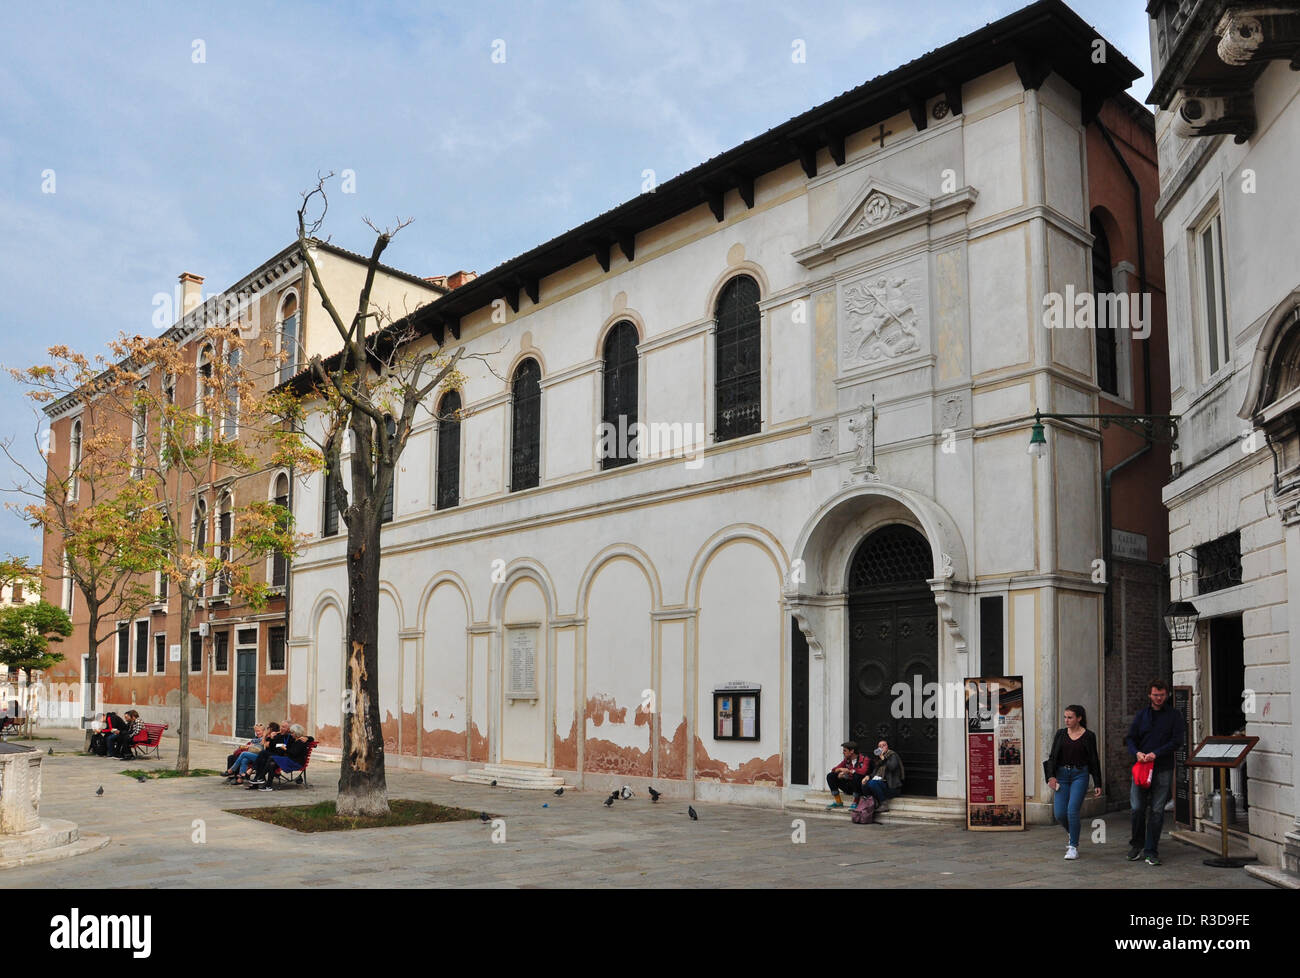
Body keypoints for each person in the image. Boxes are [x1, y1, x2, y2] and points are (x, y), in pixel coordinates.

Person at [1125, 680, 1184, 866]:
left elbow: (1177, 741)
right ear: (1150, 696)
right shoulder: (1142, 715)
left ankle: (1151, 850)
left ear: (1166, 696)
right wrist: (1137, 753)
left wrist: (1156, 754)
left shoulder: (1175, 716)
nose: (1159, 698)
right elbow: (1130, 738)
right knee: (1137, 808)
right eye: (1155, 695)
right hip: (1141, 768)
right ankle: (1137, 844)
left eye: (1162, 695)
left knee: (1157, 811)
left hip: (1163, 768)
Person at [1044, 704, 1103, 860]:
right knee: (1060, 813)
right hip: (1061, 776)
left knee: (1072, 810)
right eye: (1065, 717)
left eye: (1070, 717)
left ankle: (1073, 847)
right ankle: (1073, 831)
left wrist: (1097, 783)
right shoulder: (1060, 734)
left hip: (1080, 775)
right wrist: (1051, 776)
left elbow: (1094, 760)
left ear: (1079, 718)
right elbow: (1052, 758)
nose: (1066, 720)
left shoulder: (1089, 736)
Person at [247, 724, 312, 789]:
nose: (291, 733)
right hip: (286, 758)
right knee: (268, 760)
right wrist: (271, 737)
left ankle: (261, 778)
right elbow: (272, 746)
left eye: (292, 732)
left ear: (296, 733)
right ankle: (266, 784)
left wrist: (285, 749)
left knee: (270, 759)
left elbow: (293, 753)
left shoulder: (301, 741)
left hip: (293, 762)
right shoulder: (285, 736)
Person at [861, 739, 904, 817]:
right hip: (880, 784)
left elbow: (892, 767)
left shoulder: (893, 755)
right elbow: (875, 773)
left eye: (883, 745)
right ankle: (873, 803)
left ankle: (884, 804)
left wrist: (883, 758)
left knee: (872, 783)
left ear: (887, 747)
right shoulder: (879, 759)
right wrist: (868, 776)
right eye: (879, 746)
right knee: (864, 784)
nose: (881, 747)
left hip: (891, 787)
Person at [825, 740, 870, 809]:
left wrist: (848, 771)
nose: (843, 753)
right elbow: (834, 769)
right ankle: (838, 802)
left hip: (861, 787)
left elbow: (863, 772)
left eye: (845, 750)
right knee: (830, 776)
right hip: (850, 786)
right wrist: (840, 770)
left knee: (856, 775)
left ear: (852, 751)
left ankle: (855, 802)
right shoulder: (847, 760)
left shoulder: (864, 759)